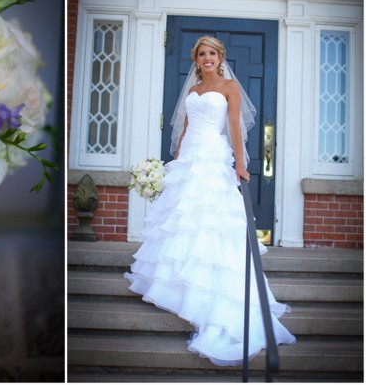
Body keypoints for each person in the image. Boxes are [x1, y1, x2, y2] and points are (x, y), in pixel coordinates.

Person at [124, 36, 296, 366]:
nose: (207, 58)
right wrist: (173, 163)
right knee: (181, 220)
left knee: (208, 221)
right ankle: (177, 285)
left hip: (213, 159)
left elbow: (233, 125)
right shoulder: (192, 91)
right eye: (202, 54)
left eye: (212, 54)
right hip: (190, 158)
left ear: (220, 57)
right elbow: (187, 128)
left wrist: (242, 166)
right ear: (196, 59)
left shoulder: (229, 86)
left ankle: (208, 294)